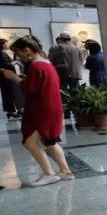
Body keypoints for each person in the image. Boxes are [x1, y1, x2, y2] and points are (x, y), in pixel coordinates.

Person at [1, 37, 73, 186]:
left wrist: (13, 77)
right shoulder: (45, 64)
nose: (19, 57)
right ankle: (65, 171)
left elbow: (28, 89)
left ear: (27, 50)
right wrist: (25, 79)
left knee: (30, 142)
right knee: (50, 142)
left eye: (19, 53)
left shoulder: (36, 66)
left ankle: (49, 174)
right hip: (49, 107)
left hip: (42, 110)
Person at [0, 38, 20, 119]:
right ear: (2, 44)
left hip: (5, 76)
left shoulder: (2, 53)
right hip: (5, 76)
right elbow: (5, 64)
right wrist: (13, 63)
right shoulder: (1, 54)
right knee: (8, 94)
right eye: (5, 43)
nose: (7, 44)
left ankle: (11, 111)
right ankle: (10, 111)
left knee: (8, 93)